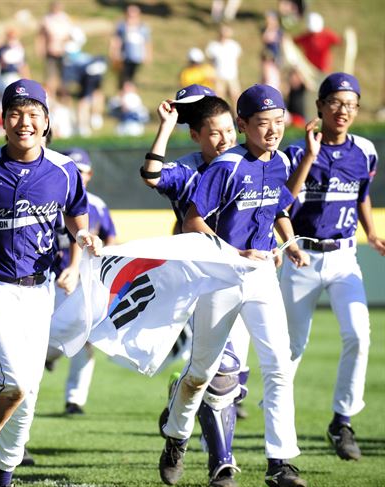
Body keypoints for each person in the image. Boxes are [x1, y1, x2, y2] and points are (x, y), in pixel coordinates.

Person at [0, 78, 102, 487]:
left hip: (40, 290)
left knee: (28, 395)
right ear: (3, 121)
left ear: (46, 121)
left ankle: (2, 478)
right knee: (15, 381)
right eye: (15, 113)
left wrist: (80, 247)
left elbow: (78, 216)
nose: (24, 121)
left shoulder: (63, 169)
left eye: (33, 114)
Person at [160, 85, 310, 487]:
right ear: (243, 125)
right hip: (221, 276)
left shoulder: (278, 160)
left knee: (278, 365)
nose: (274, 130)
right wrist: (234, 253)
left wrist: (289, 241)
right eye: (263, 124)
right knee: (201, 374)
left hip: (261, 276)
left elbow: (277, 205)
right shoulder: (224, 166)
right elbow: (193, 220)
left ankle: (281, 463)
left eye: (279, 122)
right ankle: (176, 436)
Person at [142, 85, 251, 486]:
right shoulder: (189, 168)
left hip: (246, 278)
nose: (223, 139)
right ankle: (221, 464)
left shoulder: (249, 160)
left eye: (228, 130)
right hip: (200, 278)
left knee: (225, 379)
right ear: (196, 135)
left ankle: (175, 429)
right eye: (213, 132)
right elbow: (152, 175)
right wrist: (165, 126)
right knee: (216, 374)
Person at [280, 72, 384, 462]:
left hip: (343, 257)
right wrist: (308, 155)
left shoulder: (365, 151)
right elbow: (282, 203)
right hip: (302, 255)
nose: (344, 111)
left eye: (352, 105)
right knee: (291, 349)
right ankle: (282, 432)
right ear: (320, 105)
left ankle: (342, 422)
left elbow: (362, 195)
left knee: (359, 333)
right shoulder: (295, 151)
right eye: (336, 103)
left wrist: (372, 232)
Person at [47, 148, 116, 416]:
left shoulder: (97, 206)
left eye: (83, 171)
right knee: (42, 336)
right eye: (73, 171)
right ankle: (43, 357)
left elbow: (110, 240)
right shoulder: (48, 200)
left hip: (82, 282)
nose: (79, 176)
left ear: (90, 174)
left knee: (84, 338)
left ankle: (74, 399)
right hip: (48, 279)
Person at [109, 4, 152, 89]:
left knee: (131, 77)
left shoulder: (143, 27)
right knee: (123, 76)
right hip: (124, 56)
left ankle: (128, 93)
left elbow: (147, 42)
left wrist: (148, 55)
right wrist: (114, 52)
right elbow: (117, 40)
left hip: (137, 56)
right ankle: (123, 93)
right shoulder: (122, 26)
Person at [36, 1, 73, 96]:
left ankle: (62, 96)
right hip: (51, 51)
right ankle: (50, 96)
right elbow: (41, 35)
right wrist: (41, 48)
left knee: (63, 77)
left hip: (63, 52)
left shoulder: (65, 18)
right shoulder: (47, 19)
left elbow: (70, 35)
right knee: (50, 76)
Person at [205, 25, 242, 103]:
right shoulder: (213, 46)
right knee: (219, 99)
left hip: (232, 76)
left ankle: (236, 114)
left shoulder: (234, 45)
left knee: (235, 97)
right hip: (218, 76)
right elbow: (210, 61)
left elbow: (237, 60)